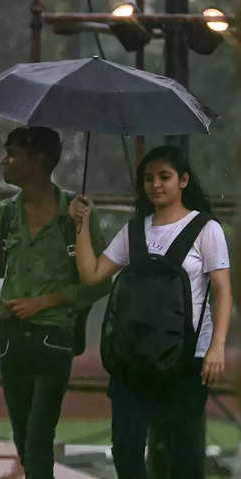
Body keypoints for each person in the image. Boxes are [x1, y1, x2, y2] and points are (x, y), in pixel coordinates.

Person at [70, 145, 233, 479]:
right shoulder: (134, 231)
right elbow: (92, 273)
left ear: (184, 180)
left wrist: (217, 346)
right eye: (148, 178)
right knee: (126, 449)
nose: (155, 185)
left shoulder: (206, 229)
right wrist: (81, 224)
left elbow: (222, 290)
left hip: (187, 361)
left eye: (165, 177)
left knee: (182, 454)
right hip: (132, 359)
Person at [0, 126, 110, 479]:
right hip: (11, 336)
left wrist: (48, 300)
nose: (5, 161)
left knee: (38, 434)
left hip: (55, 336)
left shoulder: (74, 214)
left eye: (13, 153)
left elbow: (100, 281)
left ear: (39, 160)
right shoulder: (5, 215)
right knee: (22, 435)